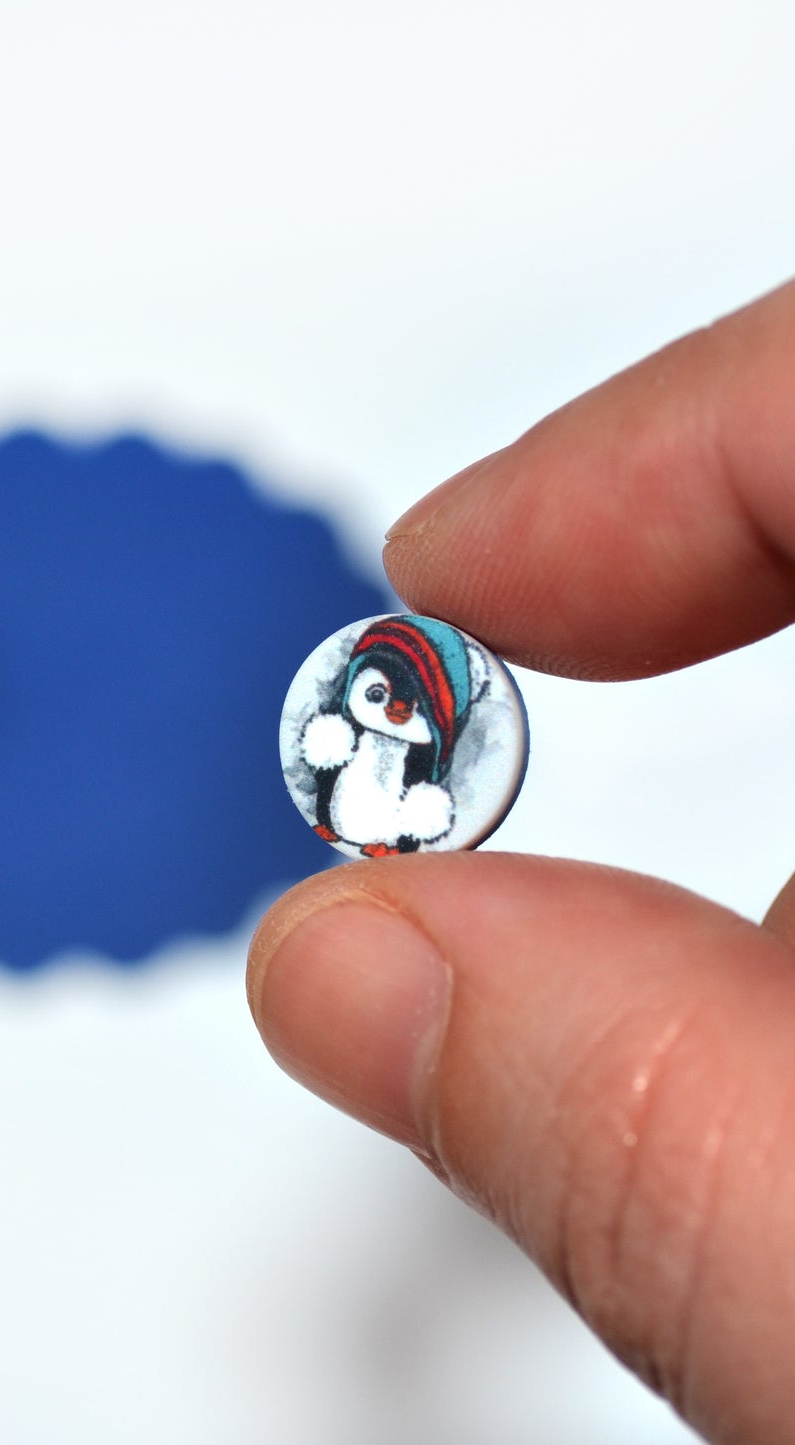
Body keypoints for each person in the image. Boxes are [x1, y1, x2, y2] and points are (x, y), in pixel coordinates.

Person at [247, 278, 795, 1445]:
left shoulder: (425, 767)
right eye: (376, 696)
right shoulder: (351, 753)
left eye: (401, 700)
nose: (382, 710)